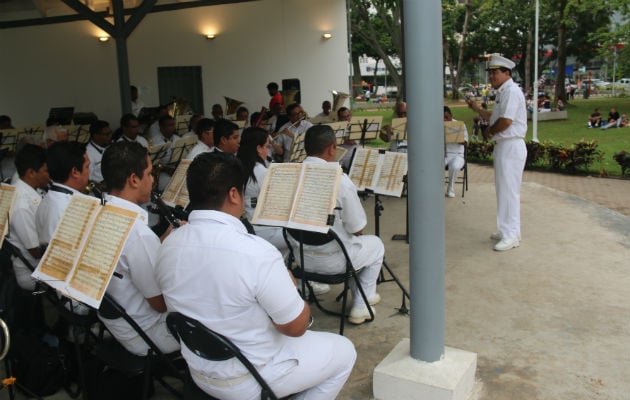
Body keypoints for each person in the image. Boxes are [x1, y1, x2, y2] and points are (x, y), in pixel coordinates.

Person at [155, 152, 355, 399]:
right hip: (249, 377)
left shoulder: (168, 244)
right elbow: (296, 327)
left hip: (199, 370)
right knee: (345, 351)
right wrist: (291, 288)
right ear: (233, 194)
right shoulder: (255, 252)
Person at [297, 125, 384, 324]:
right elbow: (357, 228)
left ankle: (365, 296)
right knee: (375, 245)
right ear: (331, 148)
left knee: (356, 247)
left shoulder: (290, 176)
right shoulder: (340, 180)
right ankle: (361, 305)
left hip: (301, 257)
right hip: (333, 261)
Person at [100, 141, 180, 356]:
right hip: (146, 333)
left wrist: (162, 241)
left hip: (117, 320)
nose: (153, 180)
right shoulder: (138, 235)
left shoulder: (99, 211)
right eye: (150, 173)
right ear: (134, 179)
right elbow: (161, 304)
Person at [467, 53, 527, 252]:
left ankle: (511, 235)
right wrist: (477, 109)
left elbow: (505, 121)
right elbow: (494, 116)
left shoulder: (511, 91)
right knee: (503, 190)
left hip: (511, 144)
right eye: (490, 73)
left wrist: (490, 131)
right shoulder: (503, 92)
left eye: (495, 73)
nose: (491, 76)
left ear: (506, 73)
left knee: (509, 191)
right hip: (504, 146)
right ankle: (506, 229)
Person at [237, 127, 289, 256]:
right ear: (258, 148)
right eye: (266, 146)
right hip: (264, 230)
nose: (268, 150)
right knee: (300, 237)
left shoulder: (238, 165)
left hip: (247, 224)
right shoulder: (261, 172)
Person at [7, 145, 49, 291]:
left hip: (40, 263)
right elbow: (35, 251)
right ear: (31, 172)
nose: (49, 175)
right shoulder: (21, 203)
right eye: (45, 171)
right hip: (32, 272)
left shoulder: (32, 190)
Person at [35, 141, 90, 247]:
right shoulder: (68, 208)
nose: (89, 172)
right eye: (87, 167)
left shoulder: (50, 198)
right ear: (75, 172)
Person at [444, 106, 468, 198]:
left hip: (457, 155)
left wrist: (457, 138)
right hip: (443, 155)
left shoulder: (459, 125)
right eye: (442, 117)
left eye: (446, 117)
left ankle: (451, 187)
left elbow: (465, 142)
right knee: (434, 166)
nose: (445, 119)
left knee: (454, 166)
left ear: (451, 116)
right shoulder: (438, 125)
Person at [85, 120, 112, 185]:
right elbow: (88, 179)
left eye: (110, 133)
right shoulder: (88, 153)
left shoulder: (111, 147)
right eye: (106, 134)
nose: (110, 136)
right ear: (95, 136)